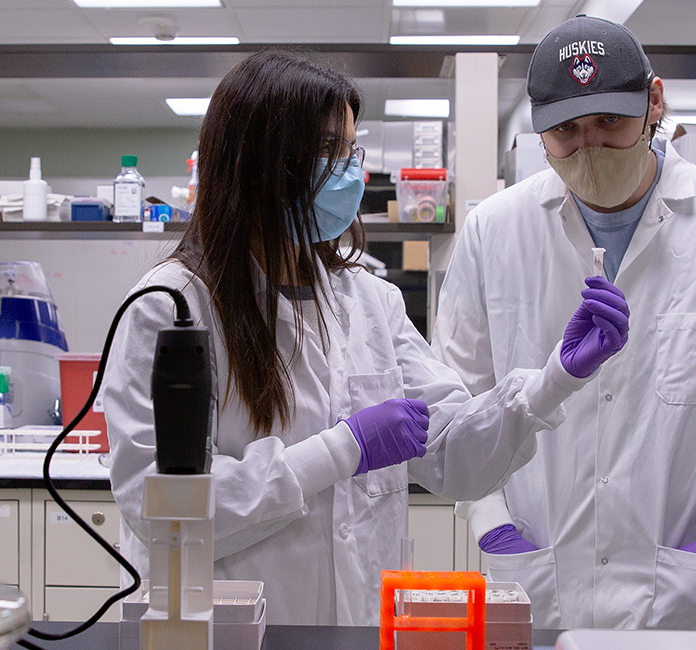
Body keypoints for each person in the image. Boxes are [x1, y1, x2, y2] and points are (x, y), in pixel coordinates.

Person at [102, 50, 632, 627]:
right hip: (227, 630)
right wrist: (342, 449)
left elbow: (455, 459)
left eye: (350, 150)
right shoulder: (173, 307)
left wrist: (555, 379)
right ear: (259, 160)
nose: (350, 171)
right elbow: (161, 513)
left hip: (352, 626)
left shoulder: (367, 301)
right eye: (328, 151)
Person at [433, 16, 696, 630]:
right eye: (566, 130)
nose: (590, 146)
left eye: (610, 123)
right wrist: (491, 524)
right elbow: (459, 402)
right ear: (540, 131)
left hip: (691, 596)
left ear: (654, 102)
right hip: (536, 585)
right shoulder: (496, 230)